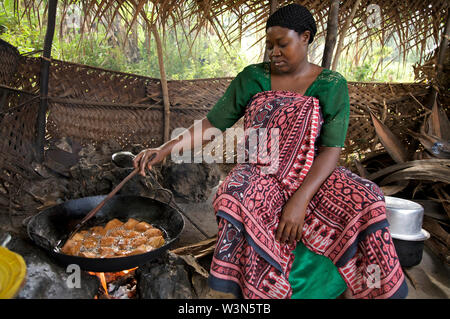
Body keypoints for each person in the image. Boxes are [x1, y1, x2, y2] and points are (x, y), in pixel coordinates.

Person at [133, 4, 408, 299]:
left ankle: (361, 289)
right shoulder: (252, 78)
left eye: (282, 44)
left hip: (314, 173)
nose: (273, 52)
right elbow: (212, 125)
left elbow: (330, 150)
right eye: (269, 46)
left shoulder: (331, 84)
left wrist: (300, 200)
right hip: (260, 171)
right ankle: (261, 292)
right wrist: (165, 148)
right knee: (233, 195)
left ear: (305, 37)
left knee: (367, 197)